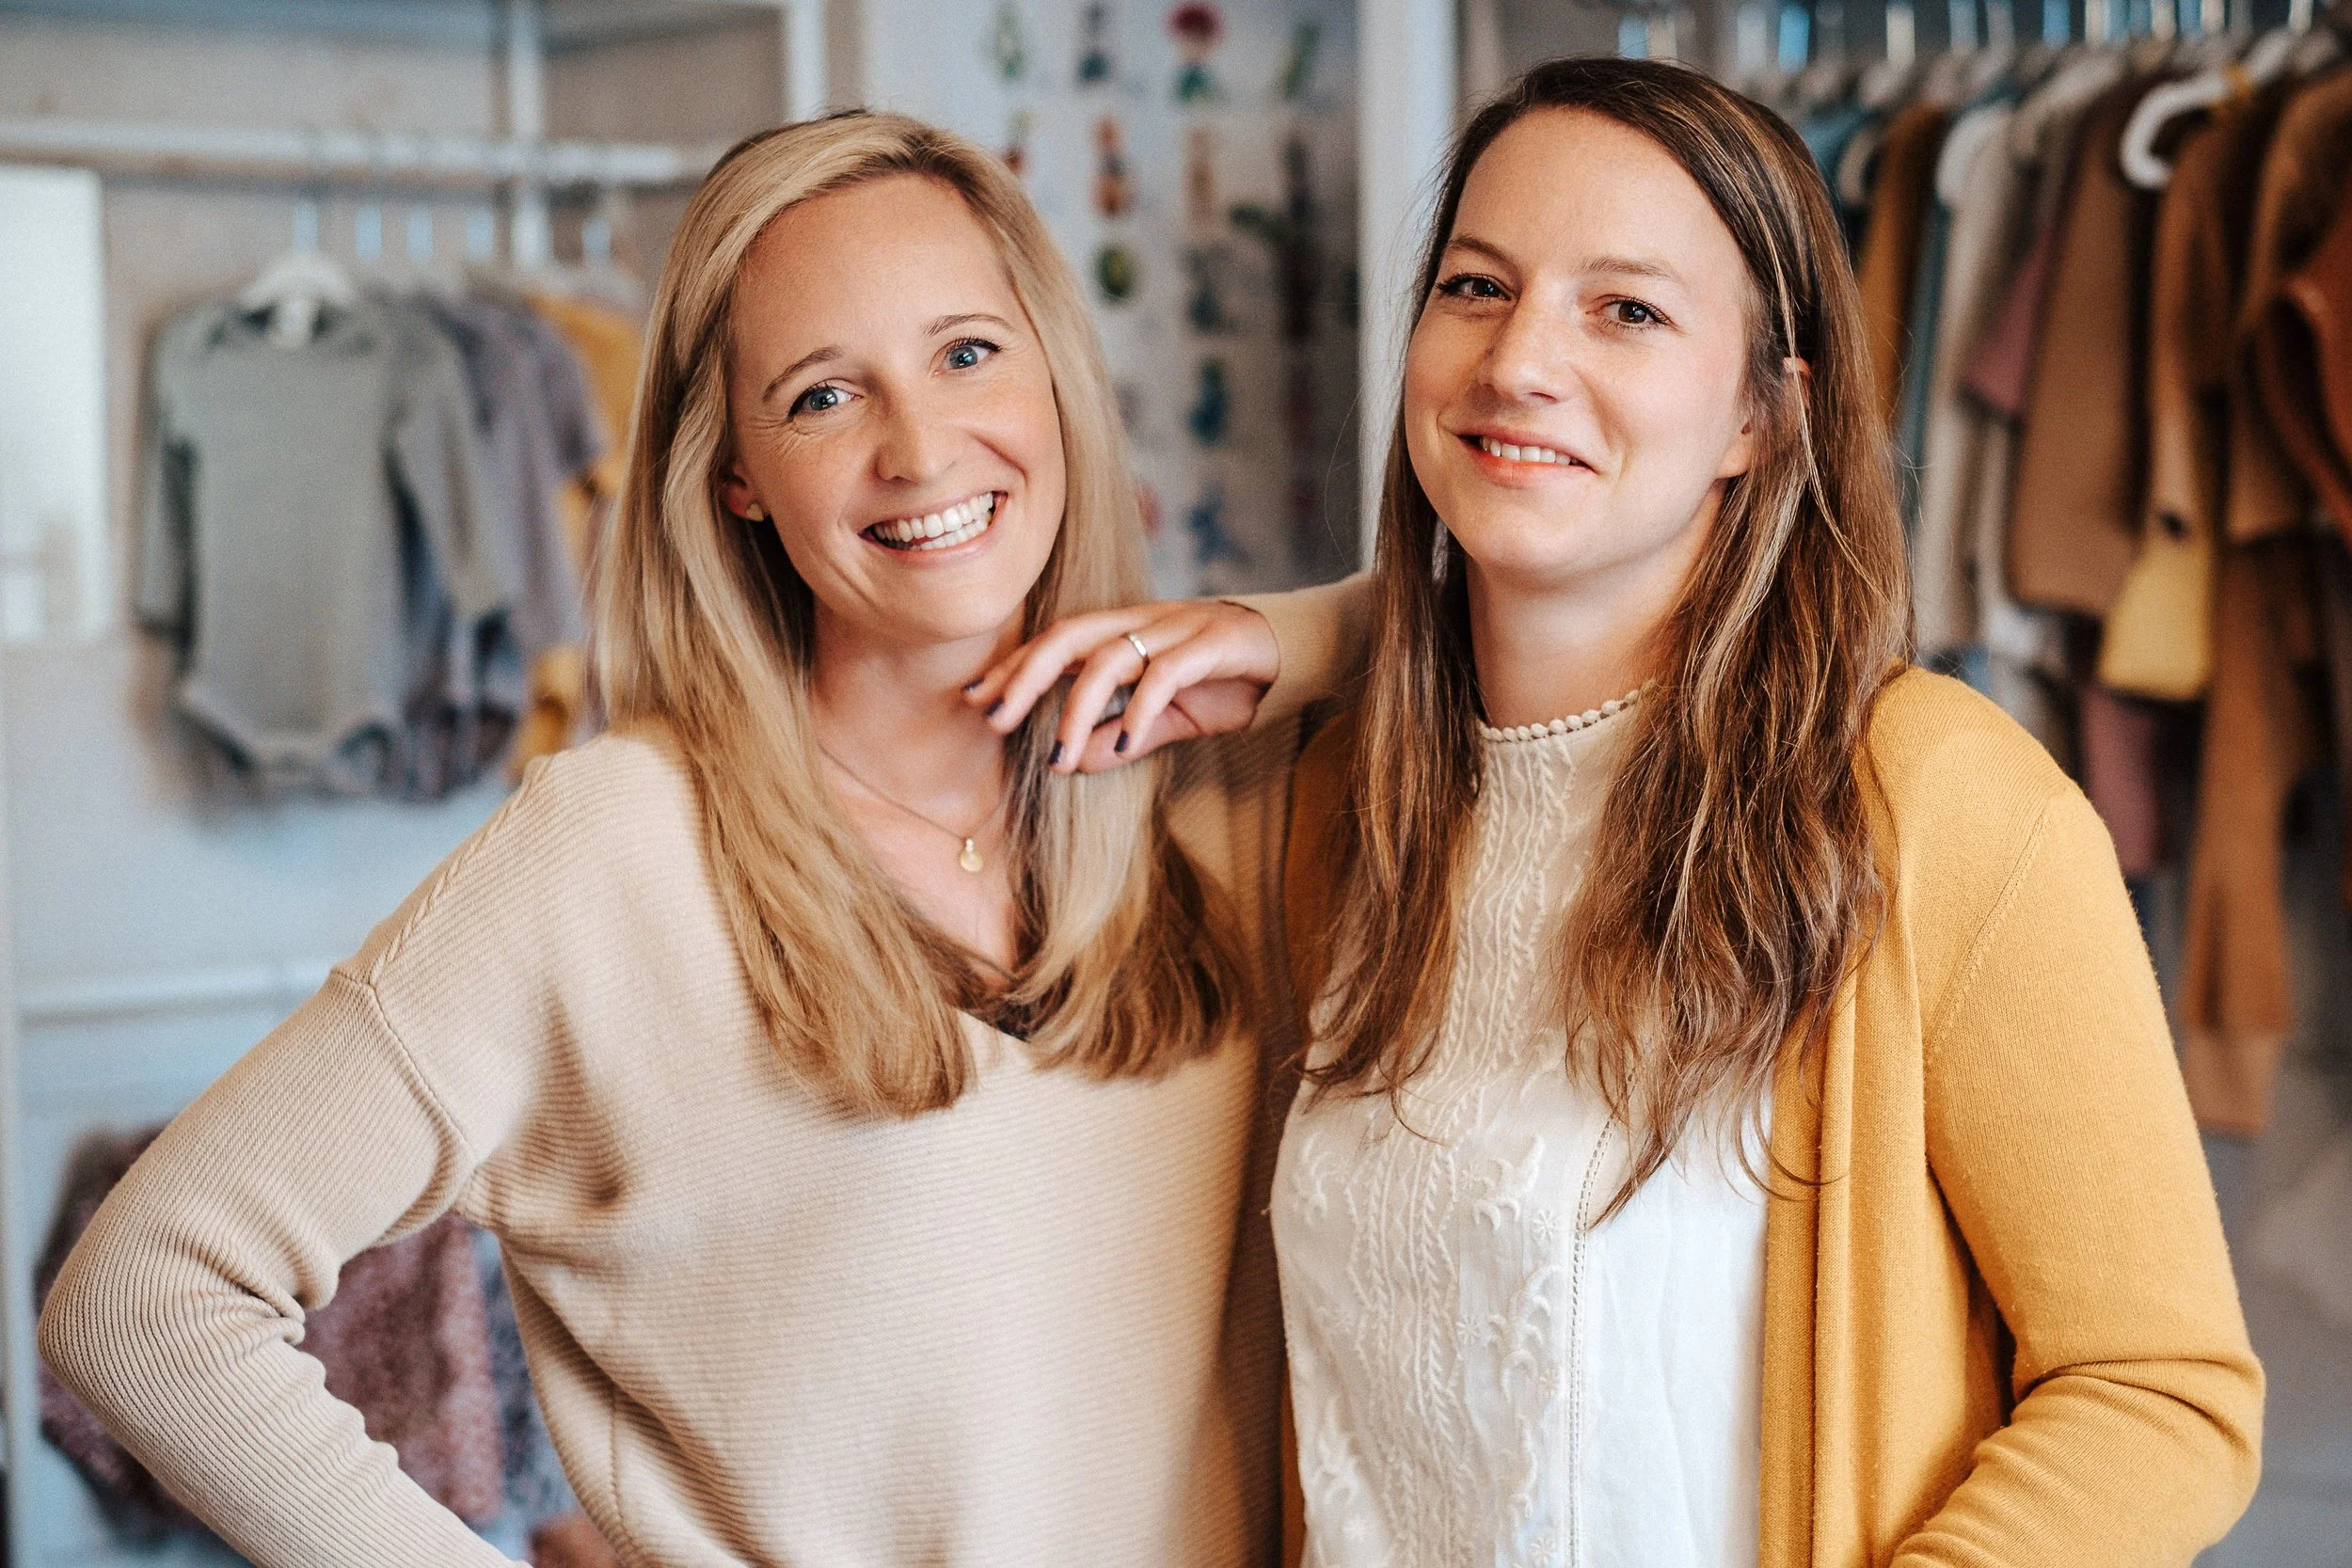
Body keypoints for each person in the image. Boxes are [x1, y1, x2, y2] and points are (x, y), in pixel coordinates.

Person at [39, 111, 1367, 1568]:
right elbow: (142, 1303)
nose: (919, 446)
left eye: (968, 352)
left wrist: (1288, 637)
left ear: (1057, 375)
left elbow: (1584, 630)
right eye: (819, 397)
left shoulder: (1229, 781)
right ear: (734, 470)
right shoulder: (614, 850)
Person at [1267, 57, 2262, 1568]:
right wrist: (1285, 637)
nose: (1520, 358)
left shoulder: (1934, 807)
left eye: (1628, 310)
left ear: (1760, 417)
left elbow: (2161, 1392)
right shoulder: (1341, 805)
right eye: (1477, 285)